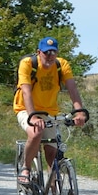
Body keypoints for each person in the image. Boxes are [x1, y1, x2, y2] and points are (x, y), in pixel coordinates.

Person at [14, 36, 87, 174]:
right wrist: (33, 117)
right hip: (25, 108)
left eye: (53, 52)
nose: (50, 56)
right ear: (38, 52)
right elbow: (26, 92)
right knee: (36, 133)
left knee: (52, 153)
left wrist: (80, 112)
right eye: (46, 52)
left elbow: (72, 89)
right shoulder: (28, 63)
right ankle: (26, 167)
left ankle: (53, 192)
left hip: (49, 111)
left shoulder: (62, 65)